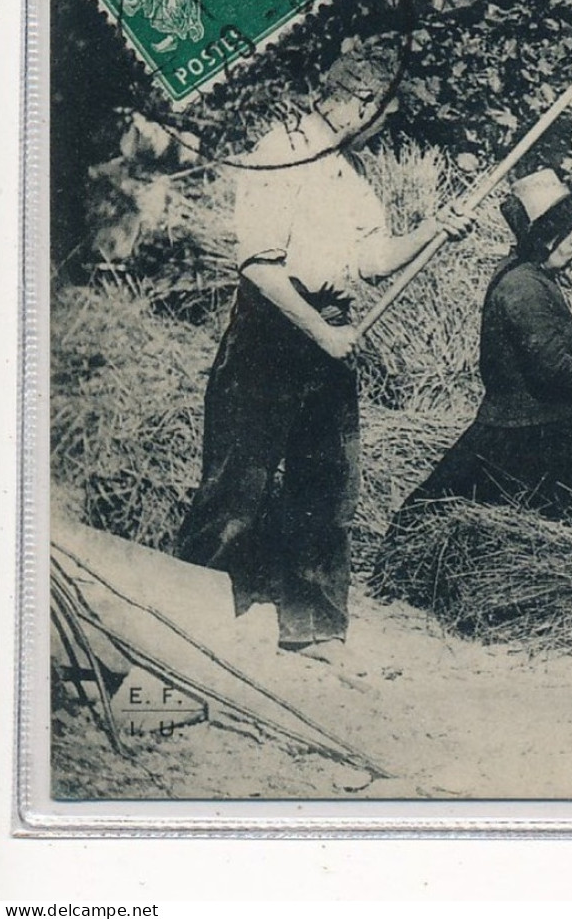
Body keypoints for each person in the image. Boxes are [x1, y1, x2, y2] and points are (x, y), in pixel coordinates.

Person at [175, 47, 475, 660]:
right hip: (272, 333)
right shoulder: (278, 153)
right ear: (358, 104)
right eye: (383, 115)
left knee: (325, 486)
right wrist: (322, 333)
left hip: (328, 331)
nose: (383, 127)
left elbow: (373, 260)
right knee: (238, 484)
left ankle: (311, 627)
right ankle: (191, 621)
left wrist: (436, 228)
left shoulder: (350, 175)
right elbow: (259, 267)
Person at [394, 169, 572, 518]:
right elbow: (549, 366)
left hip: (528, 421)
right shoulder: (523, 287)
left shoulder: (529, 274)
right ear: (548, 239)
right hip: (528, 429)